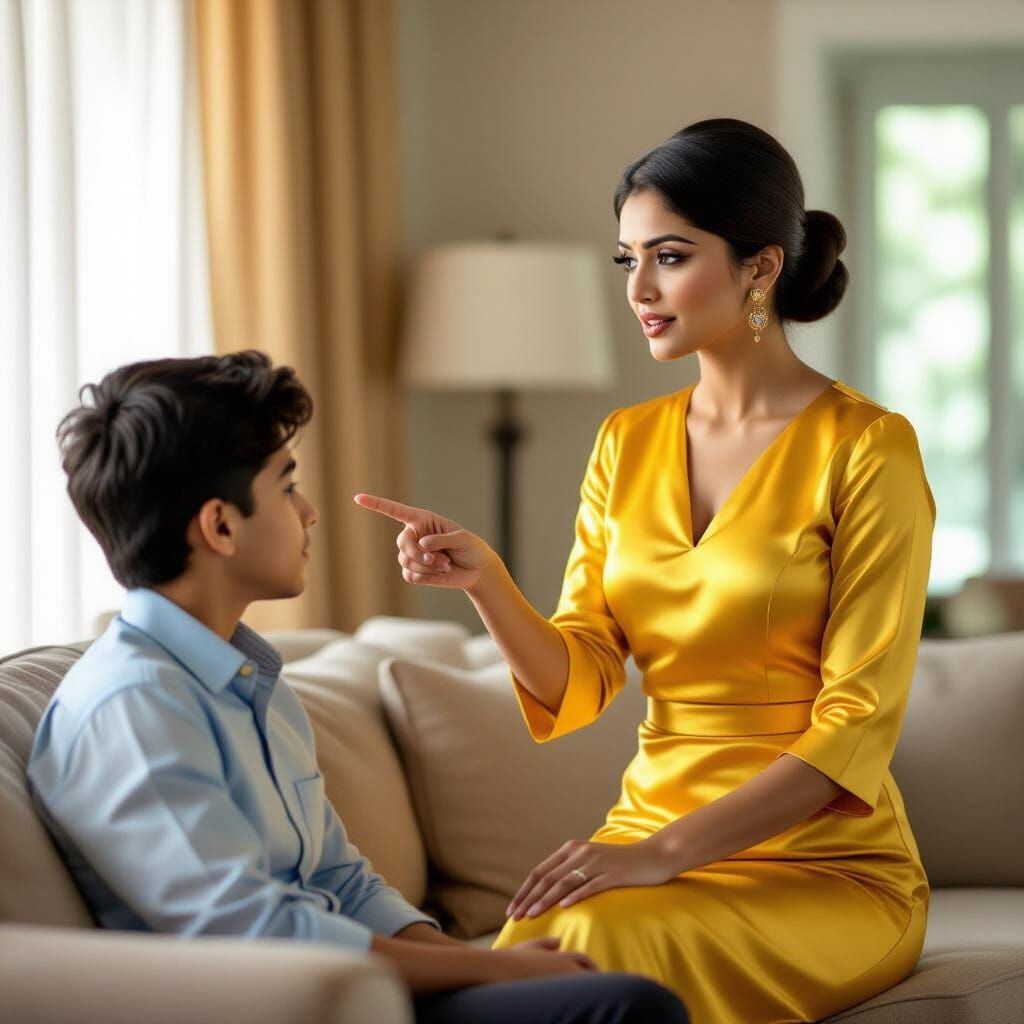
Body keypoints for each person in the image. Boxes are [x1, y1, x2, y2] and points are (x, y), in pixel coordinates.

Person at [355, 117, 935, 1024]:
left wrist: (663, 854)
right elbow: (580, 678)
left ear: (760, 267)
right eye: (628, 261)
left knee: (598, 952)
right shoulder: (625, 443)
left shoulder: (868, 449)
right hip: (644, 837)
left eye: (669, 255)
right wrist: (487, 584)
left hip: (824, 865)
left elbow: (854, 732)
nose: (642, 289)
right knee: (537, 954)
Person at [26, 351, 689, 1024]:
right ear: (220, 525)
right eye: (286, 488)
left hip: (353, 990)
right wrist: (493, 964)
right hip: (279, 1004)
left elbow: (342, 879)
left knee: (627, 977)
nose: (309, 512)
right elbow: (255, 932)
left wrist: (477, 971)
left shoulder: (252, 683)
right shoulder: (133, 706)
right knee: (626, 1005)